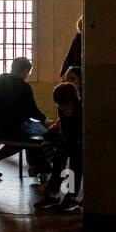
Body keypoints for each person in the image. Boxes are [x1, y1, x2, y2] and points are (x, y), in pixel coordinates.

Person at [0, 56, 50, 182]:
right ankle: (40, 168)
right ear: (25, 71)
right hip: (12, 128)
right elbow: (33, 112)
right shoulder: (23, 86)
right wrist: (46, 120)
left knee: (7, 129)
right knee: (41, 134)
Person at [35, 82, 82, 212]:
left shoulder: (81, 110)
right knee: (58, 162)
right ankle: (53, 193)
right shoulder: (62, 108)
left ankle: (72, 196)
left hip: (79, 142)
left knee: (75, 165)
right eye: (60, 105)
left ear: (74, 101)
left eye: (65, 105)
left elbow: (79, 133)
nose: (62, 108)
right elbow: (65, 130)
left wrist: (70, 145)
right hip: (68, 140)